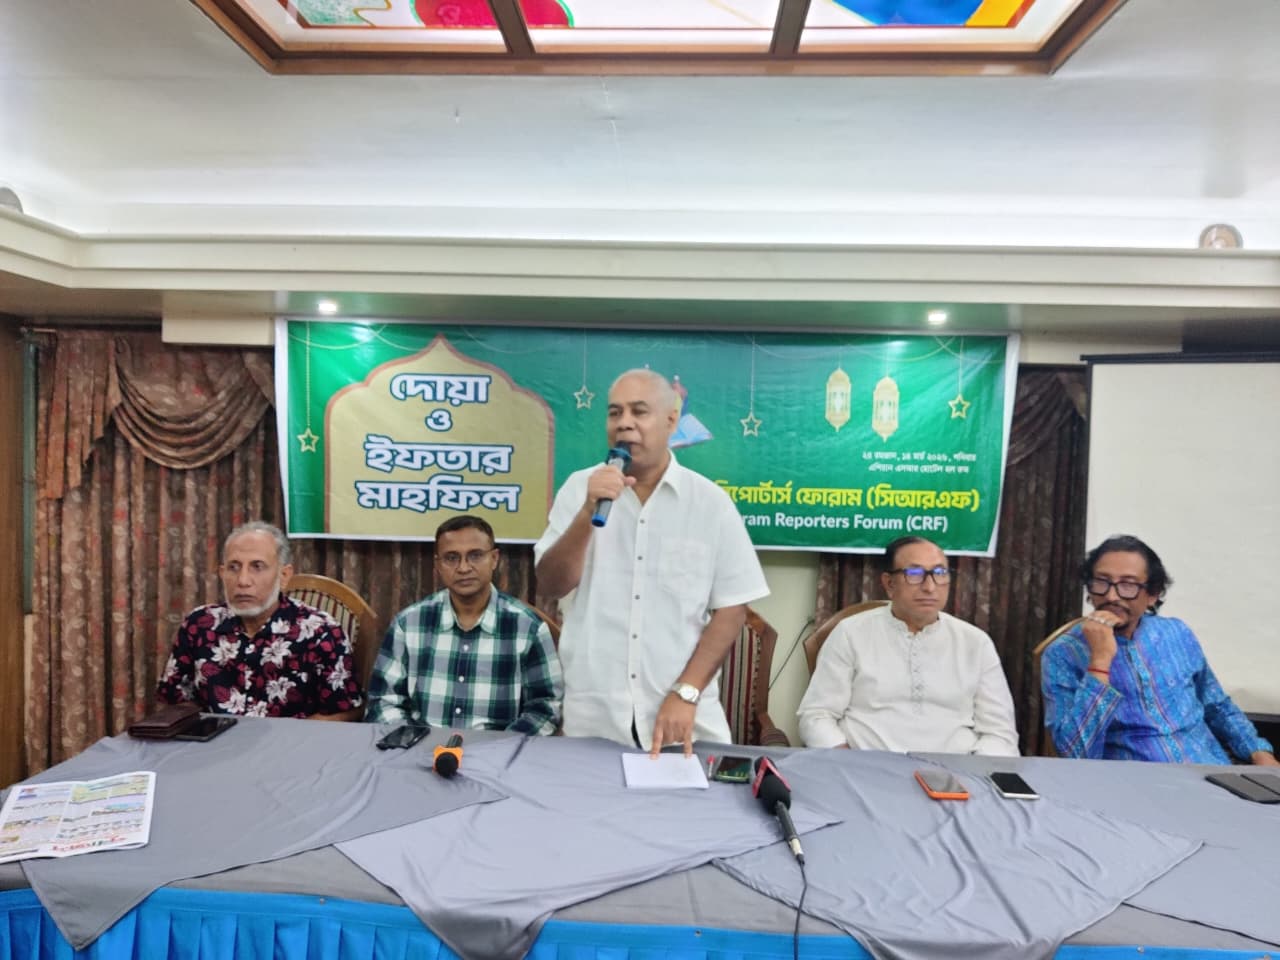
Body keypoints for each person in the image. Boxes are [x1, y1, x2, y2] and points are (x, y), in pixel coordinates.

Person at [534, 369, 769, 756]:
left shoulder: (709, 503)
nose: (624, 423)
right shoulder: (579, 488)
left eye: (639, 411)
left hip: (682, 720)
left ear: (671, 421)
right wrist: (588, 511)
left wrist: (687, 691)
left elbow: (731, 609)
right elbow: (551, 583)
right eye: (614, 412)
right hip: (594, 719)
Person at [1042, 534, 1277, 765]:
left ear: (1153, 594)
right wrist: (1099, 662)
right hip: (1133, 783)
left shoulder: (1176, 633)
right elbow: (1074, 755)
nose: (1111, 596)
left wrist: (1259, 752)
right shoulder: (1062, 653)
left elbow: (1216, 704)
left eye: (1128, 585)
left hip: (1210, 773)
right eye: (1102, 582)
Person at [797, 535, 1019, 756]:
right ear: (889, 583)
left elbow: (999, 733)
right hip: (866, 767)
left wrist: (972, 771)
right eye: (914, 574)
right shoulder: (851, 633)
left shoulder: (976, 643)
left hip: (955, 771)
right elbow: (816, 716)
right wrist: (848, 761)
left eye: (940, 573)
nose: (930, 587)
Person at [365, 515, 563, 734]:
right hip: (420, 747)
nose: (463, 567)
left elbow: (545, 709)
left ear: (494, 559)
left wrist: (502, 747)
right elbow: (383, 702)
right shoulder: (409, 624)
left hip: (499, 750)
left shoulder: (528, 628)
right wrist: (412, 742)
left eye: (475, 556)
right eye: (451, 558)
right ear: (438, 565)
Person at [157, 521, 363, 719]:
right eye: (234, 567)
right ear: (222, 573)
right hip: (214, 739)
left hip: (290, 741)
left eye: (257, 566)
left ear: (284, 575)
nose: (243, 581)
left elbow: (346, 709)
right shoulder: (199, 624)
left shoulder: (321, 632)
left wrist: (293, 738)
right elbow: (173, 698)